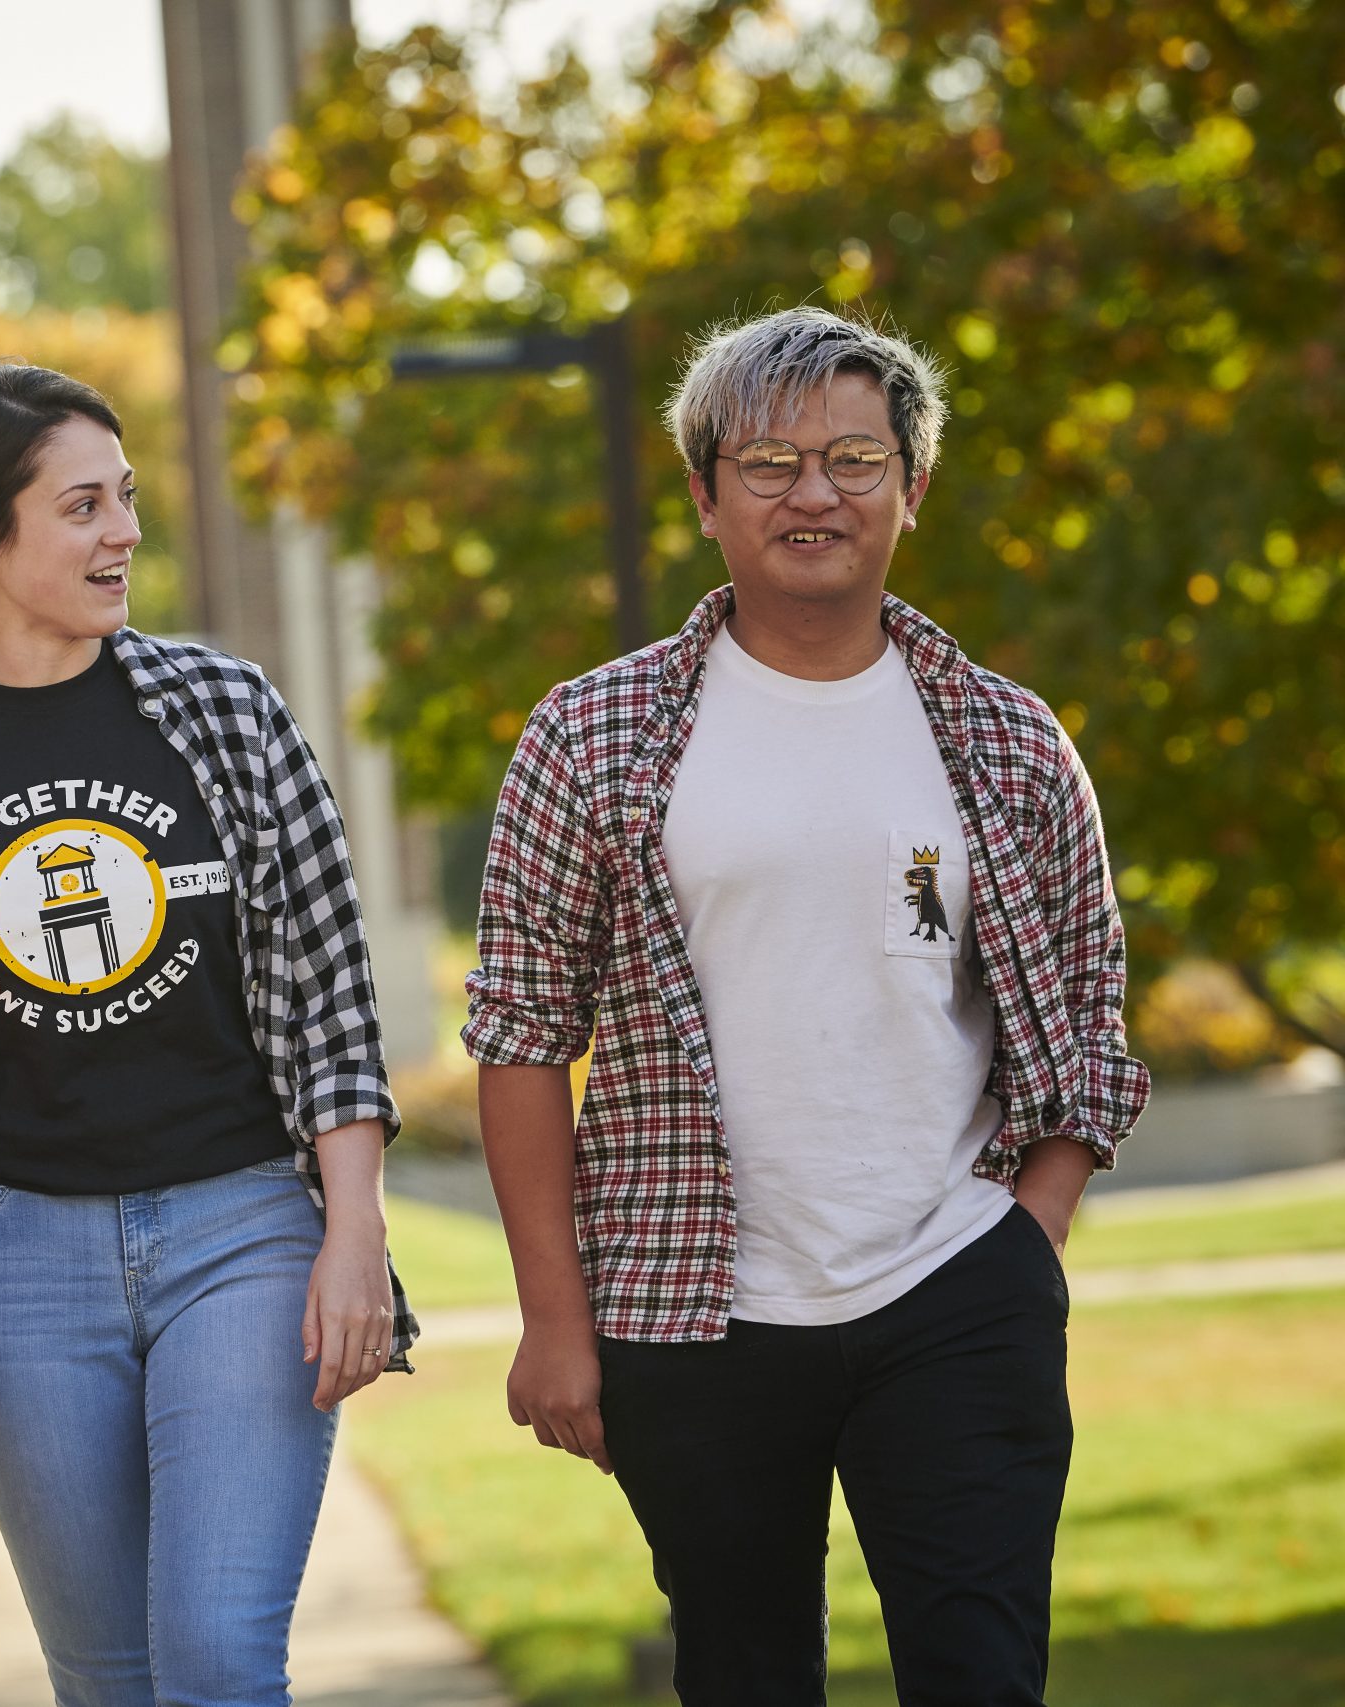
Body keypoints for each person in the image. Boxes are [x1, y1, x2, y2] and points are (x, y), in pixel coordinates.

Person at [466, 305, 1149, 1706]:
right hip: (691, 1311)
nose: (816, 494)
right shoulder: (590, 737)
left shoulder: (1007, 739)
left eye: (854, 458)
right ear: (707, 496)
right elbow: (524, 1034)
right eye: (770, 464)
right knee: (745, 1677)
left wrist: (1030, 1239)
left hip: (956, 1286)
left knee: (981, 1675)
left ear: (912, 489)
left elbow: (1089, 1013)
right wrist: (554, 1319)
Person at [0, 363, 417, 1705]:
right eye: (82, 506)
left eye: (126, 500)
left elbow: (329, 988)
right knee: (107, 1678)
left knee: (214, 1654)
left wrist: (355, 1229)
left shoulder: (225, 711)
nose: (124, 533)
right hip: (12, 1261)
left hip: (241, 1233)